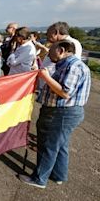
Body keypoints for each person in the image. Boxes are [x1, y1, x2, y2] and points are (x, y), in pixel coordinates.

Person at [19, 40, 91, 189]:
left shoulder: (73, 66)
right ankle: (58, 175)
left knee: (48, 146)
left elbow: (65, 92)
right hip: (62, 112)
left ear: (61, 50)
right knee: (60, 145)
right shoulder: (66, 65)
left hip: (61, 112)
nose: (48, 54)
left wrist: (45, 77)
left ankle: (39, 179)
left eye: (51, 51)